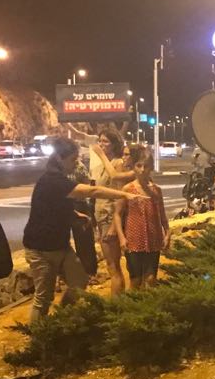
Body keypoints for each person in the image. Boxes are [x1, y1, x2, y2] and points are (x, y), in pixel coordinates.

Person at [22, 137, 142, 324]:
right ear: (60, 159)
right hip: (41, 249)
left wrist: (74, 215)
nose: (76, 163)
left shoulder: (60, 179)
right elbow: (92, 191)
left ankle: (62, 319)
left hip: (60, 245)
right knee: (43, 297)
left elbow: (53, 205)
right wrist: (125, 194)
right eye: (73, 159)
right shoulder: (52, 180)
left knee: (79, 281)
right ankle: (37, 335)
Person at [89, 129, 137, 294]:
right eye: (100, 141)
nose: (101, 144)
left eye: (106, 141)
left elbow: (120, 195)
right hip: (101, 217)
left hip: (110, 217)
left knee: (113, 266)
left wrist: (113, 227)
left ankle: (117, 303)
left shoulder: (117, 164)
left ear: (115, 144)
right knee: (111, 266)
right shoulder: (102, 165)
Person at [114, 149, 169, 289]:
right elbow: (118, 214)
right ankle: (134, 302)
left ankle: (148, 301)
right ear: (133, 166)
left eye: (146, 166)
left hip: (154, 239)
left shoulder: (156, 190)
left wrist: (167, 233)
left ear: (151, 167)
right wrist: (121, 237)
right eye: (139, 165)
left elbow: (162, 215)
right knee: (135, 279)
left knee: (151, 278)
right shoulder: (127, 189)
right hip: (133, 240)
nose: (142, 170)